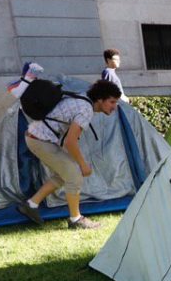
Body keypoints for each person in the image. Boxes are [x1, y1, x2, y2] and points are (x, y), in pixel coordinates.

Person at [17, 79, 121, 230]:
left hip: (35, 137)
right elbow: (70, 142)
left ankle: (31, 205)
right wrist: (83, 165)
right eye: (112, 102)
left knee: (64, 174)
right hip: (40, 140)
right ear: (100, 99)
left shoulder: (82, 98)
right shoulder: (86, 109)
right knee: (74, 175)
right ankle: (76, 219)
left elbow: (69, 140)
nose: (114, 107)